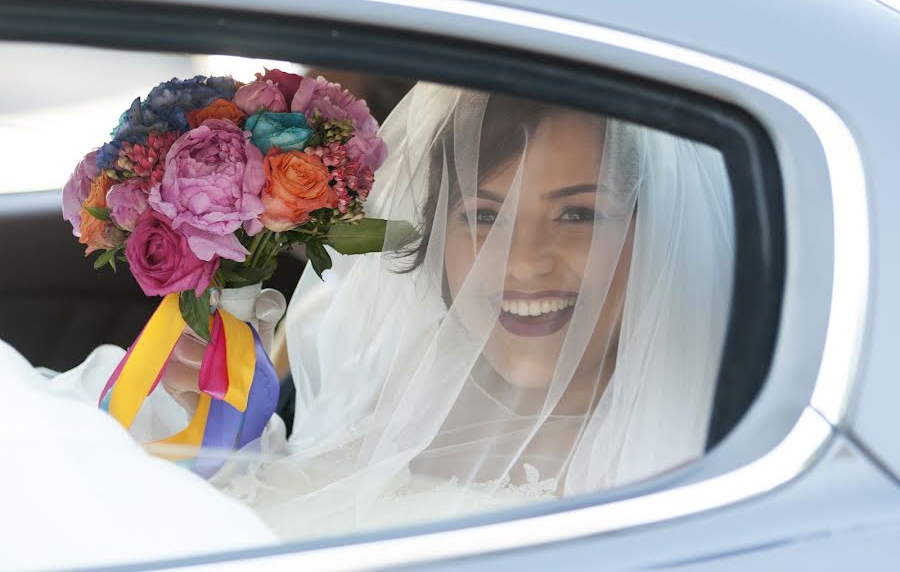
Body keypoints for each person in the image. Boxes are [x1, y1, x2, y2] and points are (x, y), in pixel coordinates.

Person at [26, 81, 734, 542]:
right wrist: (217, 437)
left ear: (660, 233)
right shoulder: (388, 370)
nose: (521, 263)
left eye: (579, 214)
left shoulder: (698, 452)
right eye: (483, 218)